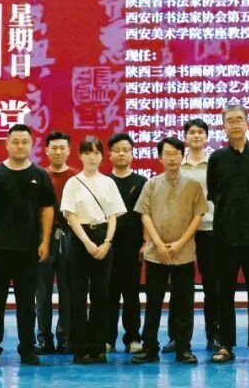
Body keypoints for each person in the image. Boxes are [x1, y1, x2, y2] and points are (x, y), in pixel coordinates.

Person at [0, 124, 55, 366]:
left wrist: (45, 241)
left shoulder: (40, 175)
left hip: (29, 249)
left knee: (27, 304)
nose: (20, 146)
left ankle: (27, 349)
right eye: (15, 141)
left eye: (24, 142)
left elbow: (47, 209)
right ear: (7, 144)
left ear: (31, 145)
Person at [206, 101, 249, 364]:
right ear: (223, 126)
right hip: (225, 235)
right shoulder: (217, 158)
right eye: (230, 120)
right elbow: (214, 194)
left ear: (247, 123)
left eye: (239, 119)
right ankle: (226, 345)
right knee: (225, 292)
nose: (235, 124)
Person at [131, 136, 209, 365]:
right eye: (167, 154)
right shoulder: (151, 184)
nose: (172, 158)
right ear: (160, 158)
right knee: (153, 303)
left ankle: (183, 348)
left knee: (184, 302)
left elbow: (198, 216)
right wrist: (157, 243)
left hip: (183, 253)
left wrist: (179, 244)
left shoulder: (193, 185)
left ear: (182, 156)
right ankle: (149, 347)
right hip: (156, 254)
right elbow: (145, 215)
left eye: (176, 153)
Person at [60, 135, 127, 364]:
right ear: (80, 155)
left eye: (96, 152)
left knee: (101, 296)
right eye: (87, 152)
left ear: (102, 156)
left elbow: (113, 216)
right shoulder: (73, 182)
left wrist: (107, 242)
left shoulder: (108, 182)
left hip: (103, 238)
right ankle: (79, 348)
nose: (92, 157)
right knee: (77, 296)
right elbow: (70, 216)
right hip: (80, 239)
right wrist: (87, 243)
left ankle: (98, 347)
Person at [180, 117, 221, 351]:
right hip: (182, 232)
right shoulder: (178, 164)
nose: (196, 136)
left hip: (210, 228)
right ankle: (178, 336)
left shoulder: (214, 163)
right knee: (181, 287)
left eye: (200, 132)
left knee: (211, 285)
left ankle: (213, 334)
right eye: (192, 132)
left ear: (206, 137)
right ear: (185, 137)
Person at [35, 130, 77, 355]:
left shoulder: (77, 177)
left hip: (70, 236)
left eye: (62, 148)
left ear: (69, 151)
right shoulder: (39, 176)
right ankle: (44, 338)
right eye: (54, 148)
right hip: (43, 237)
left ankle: (66, 337)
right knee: (42, 291)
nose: (58, 152)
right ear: (46, 150)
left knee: (68, 290)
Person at [106, 132, 148, 354]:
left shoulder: (142, 182)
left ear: (132, 154)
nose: (121, 154)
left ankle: (133, 338)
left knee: (131, 294)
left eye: (126, 150)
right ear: (110, 154)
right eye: (117, 150)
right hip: (107, 246)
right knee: (108, 294)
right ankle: (108, 339)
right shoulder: (103, 182)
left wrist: (145, 242)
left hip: (132, 247)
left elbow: (146, 215)